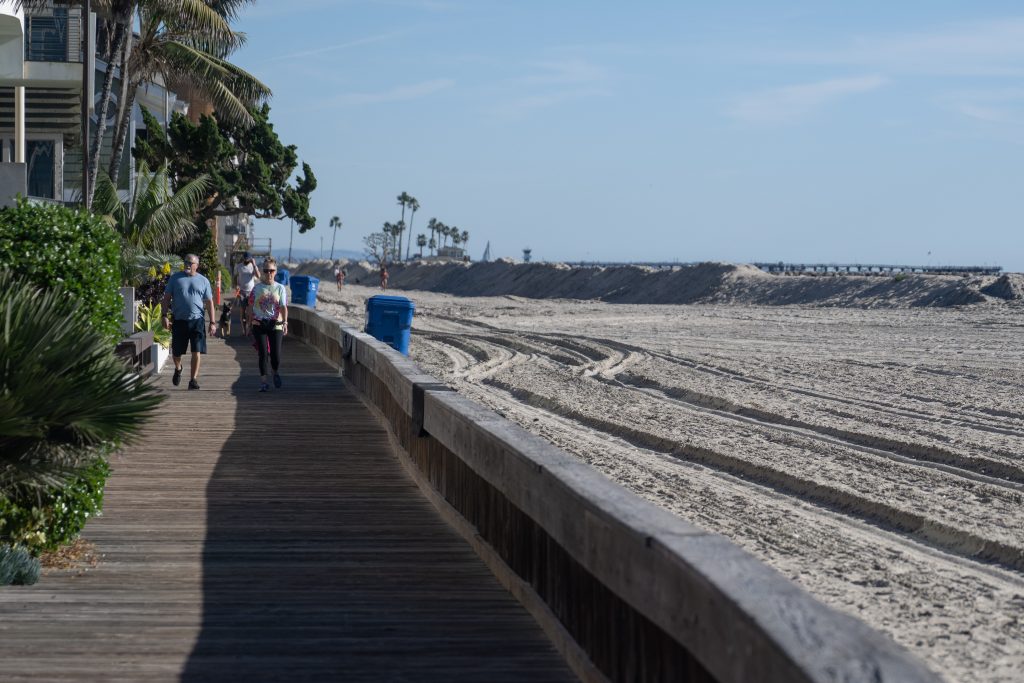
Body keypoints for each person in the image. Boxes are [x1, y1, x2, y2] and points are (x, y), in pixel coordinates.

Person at [162, 254, 216, 390]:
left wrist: (213, 322)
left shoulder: (203, 281)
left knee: (196, 350)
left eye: (190, 263)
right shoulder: (175, 279)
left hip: (197, 320)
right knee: (176, 352)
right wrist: (164, 315)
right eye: (186, 262)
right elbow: (167, 298)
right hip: (179, 320)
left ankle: (193, 380)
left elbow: (209, 302)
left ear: (196, 265)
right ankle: (178, 368)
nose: (187, 264)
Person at [247, 257, 289, 392]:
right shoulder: (256, 288)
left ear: (276, 271)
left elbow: (283, 307)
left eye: (271, 270)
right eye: (266, 270)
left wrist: (285, 322)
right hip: (259, 324)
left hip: (276, 324)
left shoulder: (280, 288)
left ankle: (275, 371)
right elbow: (250, 307)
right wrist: (249, 324)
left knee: (276, 356)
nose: (269, 273)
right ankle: (264, 382)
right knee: (263, 353)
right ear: (263, 271)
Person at [233, 252, 260, 335]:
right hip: (242, 291)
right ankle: (244, 330)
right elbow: (235, 277)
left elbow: (258, 276)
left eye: (248, 259)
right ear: (243, 258)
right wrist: (236, 285)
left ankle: (249, 327)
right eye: (245, 258)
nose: (247, 260)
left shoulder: (252, 266)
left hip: (251, 292)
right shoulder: (239, 266)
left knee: (250, 311)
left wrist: (254, 264)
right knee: (242, 311)